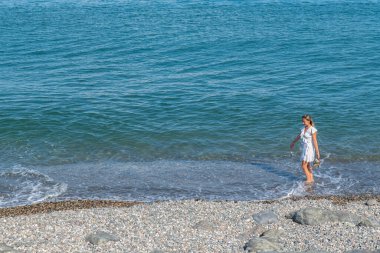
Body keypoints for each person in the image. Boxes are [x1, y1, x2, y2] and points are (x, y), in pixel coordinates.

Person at [290, 114, 320, 183]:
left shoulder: (313, 130)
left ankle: (309, 179)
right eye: (302, 121)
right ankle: (311, 178)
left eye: (304, 121)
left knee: (303, 165)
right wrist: (293, 142)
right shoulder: (303, 128)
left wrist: (318, 153)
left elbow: (315, 141)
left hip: (309, 149)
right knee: (308, 165)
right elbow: (299, 136)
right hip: (304, 148)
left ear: (308, 121)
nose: (302, 123)